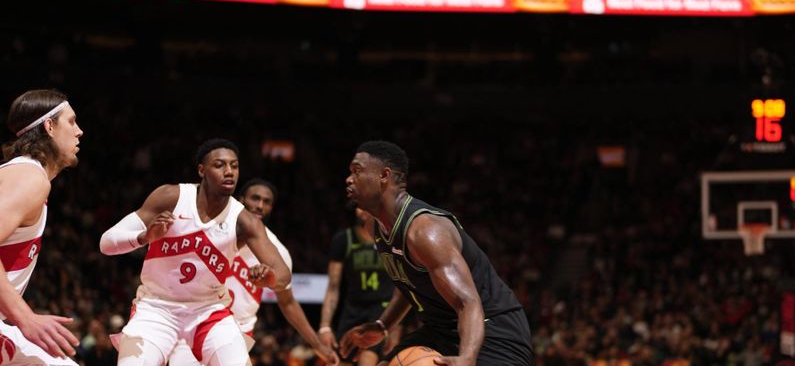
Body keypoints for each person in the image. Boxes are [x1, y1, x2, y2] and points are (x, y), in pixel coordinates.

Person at [99, 139, 292, 366]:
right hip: (156, 307)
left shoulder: (244, 221)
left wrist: (269, 277)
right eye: (220, 165)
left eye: (234, 165)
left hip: (208, 310)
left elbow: (283, 274)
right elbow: (106, 243)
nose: (229, 171)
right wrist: (144, 238)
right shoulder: (172, 197)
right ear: (202, 170)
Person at [339, 141, 533, 366]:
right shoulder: (374, 227)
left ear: (384, 175)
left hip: (494, 333)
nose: (349, 179)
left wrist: (467, 357)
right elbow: (410, 282)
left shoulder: (425, 231)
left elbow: (468, 302)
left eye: (357, 171)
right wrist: (383, 326)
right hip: (440, 330)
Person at [167, 178, 337, 365]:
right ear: (241, 200)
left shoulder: (278, 253)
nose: (260, 206)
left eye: (267, 202)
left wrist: (317, 345)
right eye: (255, 199)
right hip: (196, 319)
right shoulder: (213, 229)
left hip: (239, 330)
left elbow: (288, 303)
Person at [0, 89, 83, 364]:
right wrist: (26, 319)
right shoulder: (29, 177)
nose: (79, 131)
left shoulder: (19, 173)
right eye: (71, 122)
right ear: (49, 126)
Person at [319, 203, 397, 365]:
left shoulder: (392, 239)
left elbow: (401, 286)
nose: (362, 210)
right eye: (359, 206)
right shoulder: (344, 239)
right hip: (352, 310)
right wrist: (325, 326)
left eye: (367, 206)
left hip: (381, 310)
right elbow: (333, 287)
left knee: (368, 359)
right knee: (338, 360)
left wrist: (396, 326)